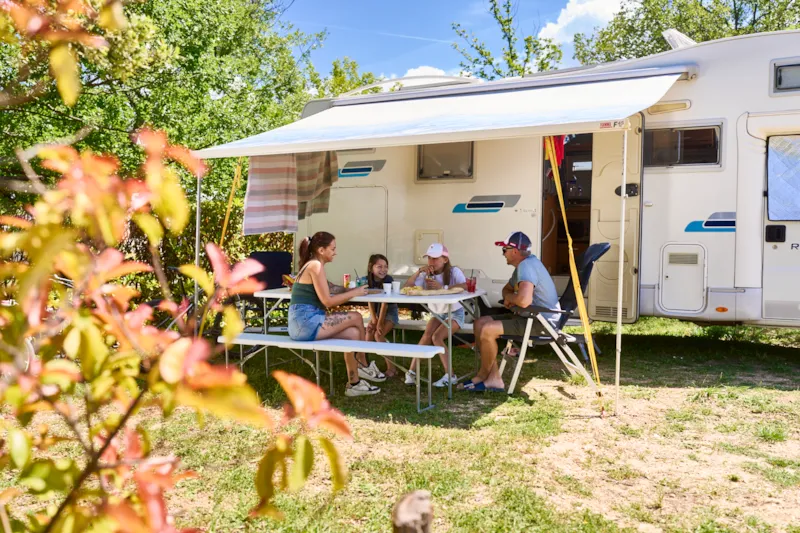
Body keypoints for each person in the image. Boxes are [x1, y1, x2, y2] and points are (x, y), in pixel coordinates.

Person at [288, 231, 385, 397]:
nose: (335, 252)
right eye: (332, 248)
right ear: (321, 250)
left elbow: (332, 288)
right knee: (356, 316)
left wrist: (353, 290)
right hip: (305, 323)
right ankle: (363, 364)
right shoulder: (315, 266)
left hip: (304, 323)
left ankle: (354, 383)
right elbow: (327, 301)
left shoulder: (313, 265)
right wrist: (355, 294)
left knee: (354, 333)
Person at [462, 231, 560, 392]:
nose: (503, 254)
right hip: (529, 316)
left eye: (504, 250)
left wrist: (512, 298)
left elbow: (523, 300)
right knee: (480, 323)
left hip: (540, 322)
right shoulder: (525, 265)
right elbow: (506, 289)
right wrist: (510, 297)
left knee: (487, 330)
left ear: (514, 251)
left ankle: (484, 375)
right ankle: (492, 377)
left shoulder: (526, 266)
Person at [403, 243, 467, 388]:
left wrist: (443, 288)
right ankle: (412, 373)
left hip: (455, 312)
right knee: (426, 336)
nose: (431, 262)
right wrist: (419, 271)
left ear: (445, 259)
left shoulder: (453, 271)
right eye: (429, 258)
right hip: (438, 313)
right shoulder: (426, 274)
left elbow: (465, 286)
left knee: (436, 337)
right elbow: (406, 287)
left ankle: (451, 376)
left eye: (435, 258)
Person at [364, 253, 400, 377]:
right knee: (369, 331)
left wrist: (379, 322)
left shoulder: (388, 280)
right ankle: (364, 364)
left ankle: (392, 368)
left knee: (378, 335)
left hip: (390, 313)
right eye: (379, 266)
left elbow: (385, 303)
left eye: (385, 266)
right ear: (371, 268)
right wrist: (374, 319)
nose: (383, 270)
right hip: (377, 313)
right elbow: (369, 301)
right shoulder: (367, 280)